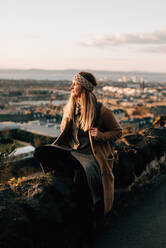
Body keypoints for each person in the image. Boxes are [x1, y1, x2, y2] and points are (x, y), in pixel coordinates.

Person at [52, 71, 122, 217]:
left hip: (92, 155)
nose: (71, 87)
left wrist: (101, 135)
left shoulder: (102, 111)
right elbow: (65, 133)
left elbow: (117, 132)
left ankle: (91, 212)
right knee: (46, 155)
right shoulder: (71, 108)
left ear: (83, 88)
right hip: (73, 151)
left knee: (83, 177)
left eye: (75, 84)